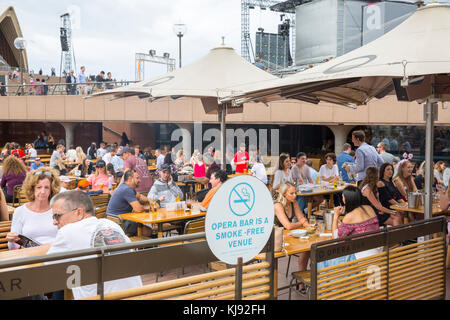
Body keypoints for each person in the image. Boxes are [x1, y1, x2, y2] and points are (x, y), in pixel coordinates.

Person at [48, 190, 143, 299]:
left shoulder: (67, 231)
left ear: (79, 212)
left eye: (57, 216)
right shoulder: (111, 224)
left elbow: (47, 270)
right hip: (136, 296)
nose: (54, 222)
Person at [318, 185, 382, 269]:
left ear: (347, 199)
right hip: (375, 252)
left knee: (320, 256)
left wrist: (336, 216)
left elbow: (336, 240)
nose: (342, 199)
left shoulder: (349, 216)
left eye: (343, 197)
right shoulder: (369, 208)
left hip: (360, 258)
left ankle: (324, 281)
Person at [273, 182, 315, 293]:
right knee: (305, 247)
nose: (295, 195)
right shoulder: (278, 205)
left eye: (295, 192)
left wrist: (309, 226)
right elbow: (288, 225)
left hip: (287, 236)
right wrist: (302, 224)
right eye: (291, 193)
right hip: (275, 239)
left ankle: (300, 282)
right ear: (284, 194)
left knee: (307, 248)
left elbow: (301, 217)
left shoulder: (293, 202)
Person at [6, 167, 60, 250]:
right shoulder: (20, 211)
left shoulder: (59, 210)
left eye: (46, 187)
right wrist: (11, 240)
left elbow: (66, 239)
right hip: (30, 257)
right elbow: (12, 247)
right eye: (39, 187)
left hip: (54, 255)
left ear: (52, 190)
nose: (42, 191)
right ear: (32, 188)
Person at [107, 170, 153, 237]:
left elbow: (139, 196)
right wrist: (148, 208)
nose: (139, 180)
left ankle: (143, 245)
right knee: (148, 231)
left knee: (145, 229)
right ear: (130, 179)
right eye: (137, 178)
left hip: (117, 221)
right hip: (119, 223)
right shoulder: (126, 189)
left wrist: (149, 200)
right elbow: (138, 209)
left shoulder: (125, 187)